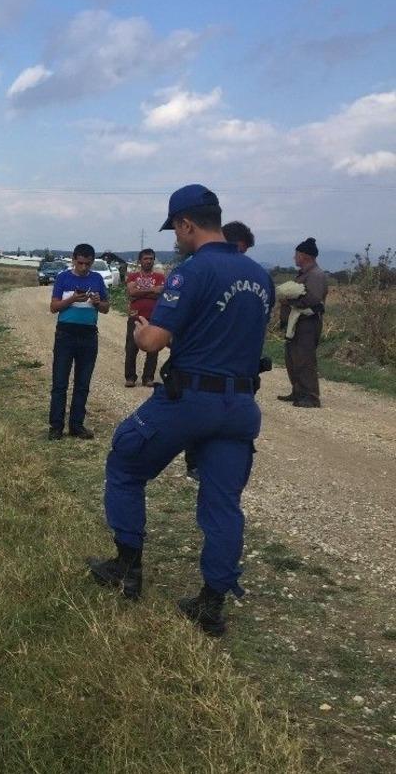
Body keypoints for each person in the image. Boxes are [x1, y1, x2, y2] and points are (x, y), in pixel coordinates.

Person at [87, 185, 274, 637]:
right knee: (223, 501)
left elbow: (154, 342)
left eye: (175, 229)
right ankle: (211, 604)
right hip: (241, 404)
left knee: (127, 462)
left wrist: (140, 330)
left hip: (190, 399)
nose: (175, 238)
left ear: (187, 224)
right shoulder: (261, 276)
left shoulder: (190, 272)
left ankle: (127, 569)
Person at [184, 220, 255, 481]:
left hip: (236, 371)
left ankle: (220, 467)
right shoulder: (198, 270)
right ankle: (195, 462)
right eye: (237, 250)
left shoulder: (250, 277)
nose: (239, 258)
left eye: (243, 253)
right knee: (198, 416)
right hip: (201, 366)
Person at [48, 243, 109, 440]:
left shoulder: (97, 279)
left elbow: (106, 308)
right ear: (73, 260)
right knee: (60, 383)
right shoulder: (63, 278)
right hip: (65, 335)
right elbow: (54, 307)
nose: (84, 268)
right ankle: (56, 427)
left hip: (89, 335)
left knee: (82, 384)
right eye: (80, 263)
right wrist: (72, 299)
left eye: (88, 264)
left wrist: (98, 303)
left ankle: (76, 425)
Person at [277, 237, 328, 408]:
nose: (294, 258)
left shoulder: (316, 275)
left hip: (308, 323)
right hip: (297, 324)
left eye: (296, 255)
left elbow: (313, 298)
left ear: (305, 256)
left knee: (304, 358)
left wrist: (289, 301)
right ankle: (298, 391)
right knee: (292, 357)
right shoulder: (305, 274)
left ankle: (311, 396)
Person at [124, 249, 165, 388]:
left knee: (153, 347)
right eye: (146, 258)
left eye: (151, 258)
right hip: (135, 315)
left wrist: (140, 293)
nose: (148, 261)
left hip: (154, 316)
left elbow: (160, 294)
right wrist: (152, 290)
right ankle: (130, 377)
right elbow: (131, 292)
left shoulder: (160, 277)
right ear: (140, 261)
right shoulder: (133, 276)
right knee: (131, 347)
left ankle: (148, 378)